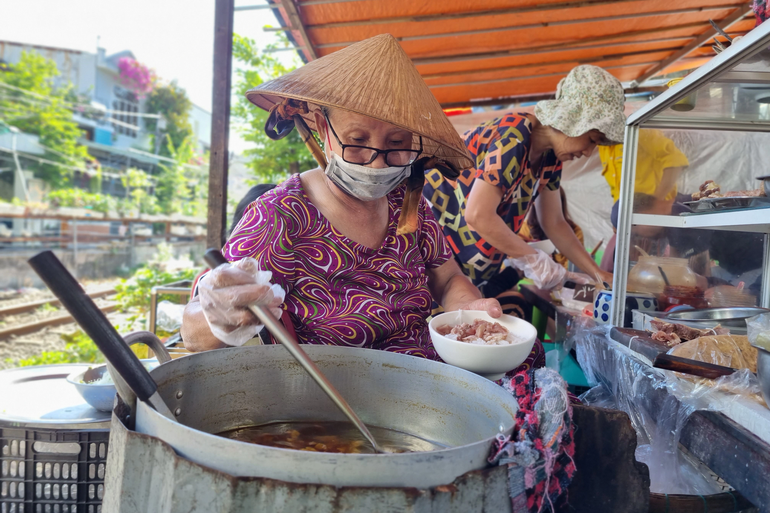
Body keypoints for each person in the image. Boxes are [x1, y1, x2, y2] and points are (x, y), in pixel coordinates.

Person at [181, 34, 501, 361]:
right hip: (334, 395)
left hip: (425, 373)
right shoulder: (280, 216)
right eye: (357, 140)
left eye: (396, 143)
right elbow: (194, 332)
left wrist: (468, 311)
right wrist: (214, 317)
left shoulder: (407, 203)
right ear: (323, 128)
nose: (377, 162)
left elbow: (447, 278)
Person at [423, 65, 620, 320]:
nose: (588, 152)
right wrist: (532, 258)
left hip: (468, 269)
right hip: (438, 262)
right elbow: (478, 215)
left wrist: (597, 274)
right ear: (573, 120)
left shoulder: (551, 158)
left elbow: (555, 222)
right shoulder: (514, 135)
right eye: (592, 139)